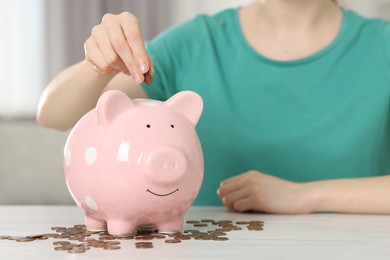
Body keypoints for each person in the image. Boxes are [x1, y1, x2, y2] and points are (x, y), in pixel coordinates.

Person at [36, 0, 390, 214]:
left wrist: (306, 196)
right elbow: (54, 114)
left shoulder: (382, 45)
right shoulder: (195, 43)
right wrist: (97, 66)